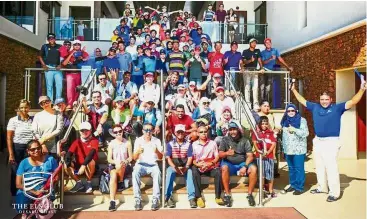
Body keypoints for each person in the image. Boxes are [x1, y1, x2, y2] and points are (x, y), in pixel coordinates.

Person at [291, 79, 367, 202]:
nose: (324, 101)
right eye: (322, 99)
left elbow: (353, 101)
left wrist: (362, 89)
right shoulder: (315, 107)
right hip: (318, 140)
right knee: (319, 166)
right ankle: (322, 187)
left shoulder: (337, 108)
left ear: (331, 100)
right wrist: (293, 89)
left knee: (331, 167)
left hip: (331, 141)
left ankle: (335, 193)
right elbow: (302, 100)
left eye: (326, 99)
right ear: (319, 100)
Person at [15, 140, 58, 219]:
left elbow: (56, 178)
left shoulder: (50, 160)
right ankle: (25, 214)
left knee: (43, 214)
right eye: (33, 149)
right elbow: (18, 184)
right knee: (21, 198)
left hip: (45, 191)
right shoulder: (24, 163)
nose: (36, 151)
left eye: (38, 148)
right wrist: (35, 192)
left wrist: (48, 188)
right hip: (29, 190)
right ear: (28, 151)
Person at [219, 121, 257, 207]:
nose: (232, 132)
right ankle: (228, 195)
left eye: (234, 129)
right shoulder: (224, 139)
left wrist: (245, 166)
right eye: (231, 130)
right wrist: (227, 153)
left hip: (242, 163)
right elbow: (220, 154)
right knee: (224, 167)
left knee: (253, 169)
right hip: (229, 163)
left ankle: (250, 195)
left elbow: (250, 156)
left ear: (238, 130)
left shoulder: (245, 140)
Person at [132, 123, 163, 211]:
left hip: (153, 165)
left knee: (157, 173)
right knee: (135, 173)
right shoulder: (138, 140)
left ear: (153, 131)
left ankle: (155, 199)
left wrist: (156, 151)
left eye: (150, 130)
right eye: (146, 130)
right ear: (142, 131)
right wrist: (138, 152)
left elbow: (161, 157)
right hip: (141, 164)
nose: (148, 132)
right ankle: (137, 200)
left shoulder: (156, 141)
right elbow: (134, 158)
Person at [165, 124, 196, 208]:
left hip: (185, 165)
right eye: (178, 132)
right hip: (173, 165)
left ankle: (192, 198)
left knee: (190, 173)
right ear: (175, 132)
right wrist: (175, 167)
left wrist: (186, 167)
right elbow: (168, 158)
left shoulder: (189, 144)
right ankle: (168, 197)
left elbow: (190, 157)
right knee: (169, 172)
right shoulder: (170, 144)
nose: (180, 134)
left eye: (182, 132)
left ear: (185, 133)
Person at [192, 125, 224, 208]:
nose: (203, 134)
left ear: (208, 132)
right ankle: (198, 197)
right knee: (194, 170)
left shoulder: (213, 143)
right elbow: (192, 159)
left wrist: (211, 163)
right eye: (201, 132)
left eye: (205, 132)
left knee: (218, 172)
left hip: (210, 166)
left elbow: (217, 156)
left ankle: (218, 196)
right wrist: (198, 164)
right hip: (199, 165)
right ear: (198, 134)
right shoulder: (194, 144)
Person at [280, 104, 309, 195]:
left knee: (299, 168)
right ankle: (293, 184)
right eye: (288, 111)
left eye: (293, 111)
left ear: (296, 111)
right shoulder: (284, 121)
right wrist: (283, 149)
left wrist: (295, 130)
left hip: (298, 149)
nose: (291, 112)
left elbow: (305, 133)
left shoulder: (302, 120)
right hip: (288, 149)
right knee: (291, 168)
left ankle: (299, 187)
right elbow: (284, 137)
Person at [7, 99, 34, 196]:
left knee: (28, 170)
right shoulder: (13, 120)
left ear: (29, 108)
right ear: (18, 108)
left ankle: (27, 191)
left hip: (30, 148)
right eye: (21, 107)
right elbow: (9, 138)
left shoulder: (33, 120)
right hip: (17, 148)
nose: (24, 109)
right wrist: (11, 154)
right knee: (16, 171)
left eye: (26, 107)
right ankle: (14, 193)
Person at [64, 122, 99, 193]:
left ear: (91, 130)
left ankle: (88, 182)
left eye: (86, 130)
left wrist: (83, 165)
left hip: (89, 167)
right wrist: (68, 164)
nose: (84, 132)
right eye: (82, 130)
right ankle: (78, 183)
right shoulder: (77, 141)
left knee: (91, 161)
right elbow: (69, 154)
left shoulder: (94, 141)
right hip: (78, 166)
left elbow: (91, 154)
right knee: (65, 164)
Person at [260, 38, 293, 108]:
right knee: (267, 89)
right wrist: (270, 59)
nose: (268, 44)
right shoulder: (262, 52)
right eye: (266, 43)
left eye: (269, 42)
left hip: (274, 72)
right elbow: (263, 63)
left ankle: (271, 105)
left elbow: (280, 59)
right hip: (266, 71)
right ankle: (265, 104)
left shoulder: (275, 50)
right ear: (265, 44)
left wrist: (288, 67)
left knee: (272, 89)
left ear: (271, 43)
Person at [107, 124, 133, 211]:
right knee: (113, 174)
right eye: (116, 132)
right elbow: (109, 159)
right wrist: (116, 162)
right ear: (113, 133)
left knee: (121, 165)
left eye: (120, 131)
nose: (118, 133)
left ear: (122, 131)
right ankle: (112, 201)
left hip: (125, 166)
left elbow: (130, 157)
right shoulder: (111, 144)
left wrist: (126, 161)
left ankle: (121, 181)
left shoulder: (127, 143)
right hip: (114, 166)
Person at [252, 116, 277, 197]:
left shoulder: (270, 133)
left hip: (269, 156)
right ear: (259, 124)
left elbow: (273, 144)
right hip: (260, 156)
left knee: (270, 174)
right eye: (262, 123)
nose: (264, 125)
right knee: (261, 174)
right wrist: (259, 152)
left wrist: (269, 152)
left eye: (266, 123)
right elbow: (255, 143)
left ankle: (270, 190)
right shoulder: (256, 133)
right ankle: (262, 189)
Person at [38, 33, 62, 103]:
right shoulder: (45, 46)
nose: (51, 40)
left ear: (55, 38)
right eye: (49, 39)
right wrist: (44, 65)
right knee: (49, 86)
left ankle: (58, 102)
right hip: (48, 68)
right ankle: (50, 102)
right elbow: (40, 56)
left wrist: (61, 65)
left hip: (57, 68)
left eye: (52, 38)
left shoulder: (60, 46)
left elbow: (63, 57)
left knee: (59, 85)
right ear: (48, 39)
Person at [242, 38, 264, 110]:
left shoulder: (257, 51)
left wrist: (261, 68)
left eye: (255, 43)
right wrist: (250, 60)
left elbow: (259, 60)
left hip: (255, 70)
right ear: (250, 43)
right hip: (247, 70)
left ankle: (255, 104)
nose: (254, 44)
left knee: (255, 87)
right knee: (247, 87)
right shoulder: (245, 51)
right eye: (253, 42)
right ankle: (248, 104)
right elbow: (244, 62)